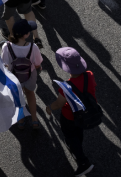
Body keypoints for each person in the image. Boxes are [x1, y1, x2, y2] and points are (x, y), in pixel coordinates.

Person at [46, 47, 96, 176]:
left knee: (69, 135)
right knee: (78, 133)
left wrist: (50, 107)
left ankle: (83, 162)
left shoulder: (66, 86)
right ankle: (77, 145)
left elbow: (59, 103)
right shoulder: (89, 75)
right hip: (85, 113)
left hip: (70, 116)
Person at [1, 18, 44, 130]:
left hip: (14, 77)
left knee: (18, 97)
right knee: (30, 94)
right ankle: (34, 120)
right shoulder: (33, 47)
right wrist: (37, 67)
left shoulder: (7, 46)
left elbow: (4, 63)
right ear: (26, 35)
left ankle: (21, 120)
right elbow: (38, 63)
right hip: (30, 75)